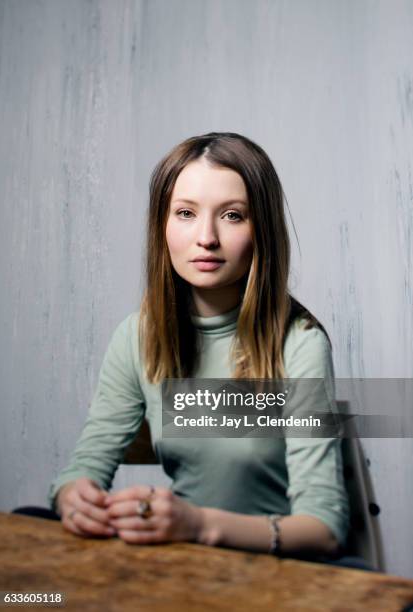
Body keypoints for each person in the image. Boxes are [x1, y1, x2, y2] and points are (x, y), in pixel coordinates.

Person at [43, 132, 355, 563]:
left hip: (277, 571)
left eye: (231, 215)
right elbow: (83, 469)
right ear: (162, 226)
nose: (206, 237)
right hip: (182, 562)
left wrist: (199, 525)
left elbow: (323, 529)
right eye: (186, 213)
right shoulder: (137, 336)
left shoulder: (300, 342)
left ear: (261, 227)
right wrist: (73, 497)